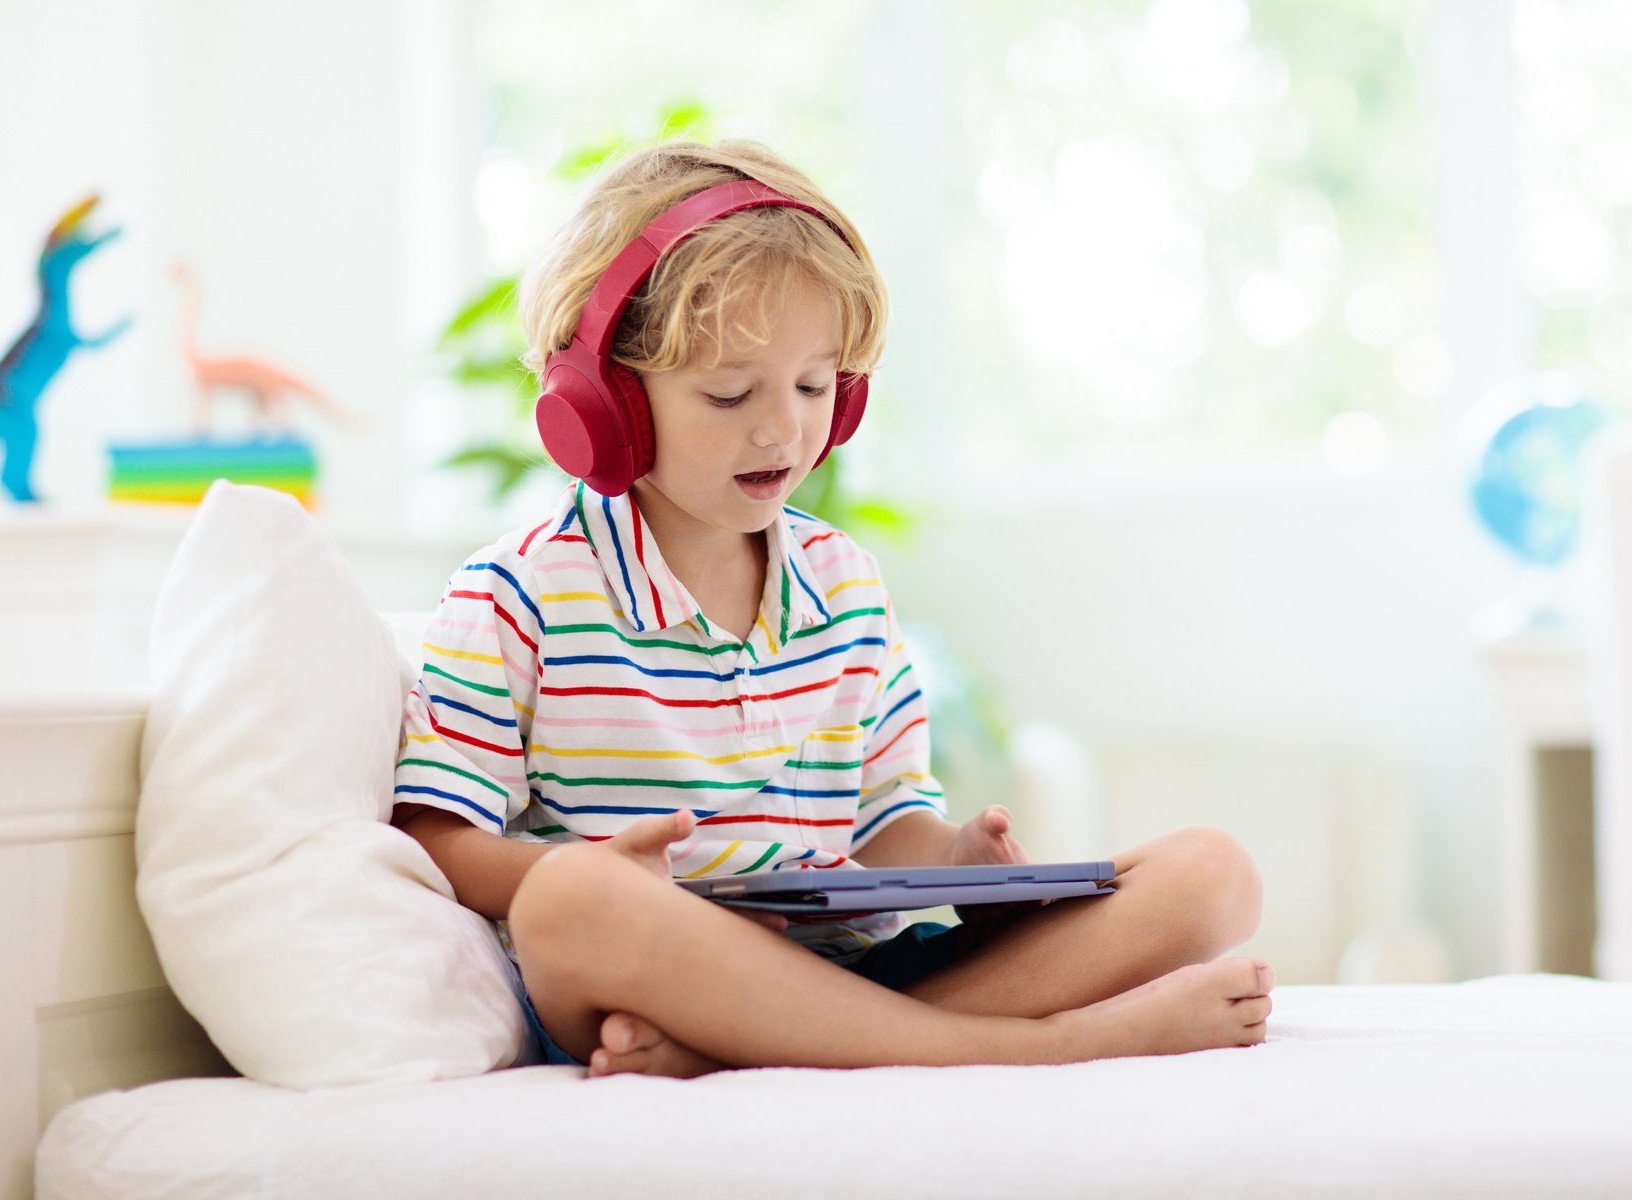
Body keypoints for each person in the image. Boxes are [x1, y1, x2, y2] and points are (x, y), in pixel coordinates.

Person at [392, 139, 1272, 1078]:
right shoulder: (516, 595)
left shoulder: (844, 582)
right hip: (650, 973)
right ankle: (1039, 1044)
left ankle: (748, 1052)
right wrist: (602, 876)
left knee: (1213, 874)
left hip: (852, 973)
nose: (785, 428)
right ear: (608, 405)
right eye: (731, 393)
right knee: (569, 903)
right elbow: (436, 837)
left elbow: (885, 825)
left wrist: (955, 859)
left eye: (815, 386)